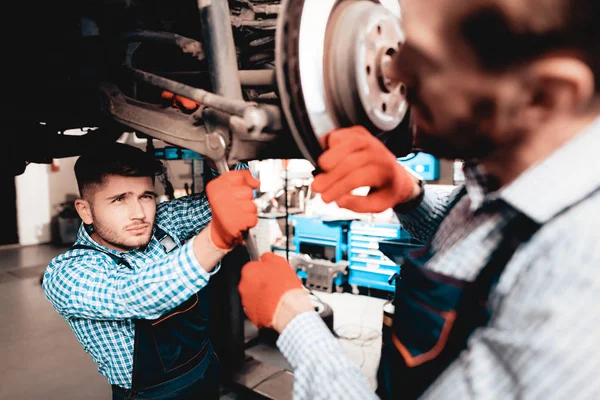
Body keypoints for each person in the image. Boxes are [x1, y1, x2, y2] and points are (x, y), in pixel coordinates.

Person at [238, 0, 600, 398]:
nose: (394, 70)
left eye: (425, 60)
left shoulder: (578, 282)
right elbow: (487, 244)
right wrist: (410, 194)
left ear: (545, 95)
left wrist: (294, 321)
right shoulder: (520, 171)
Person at [42, 142, 258, 399]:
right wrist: (216, 239)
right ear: (85, 211)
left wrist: (218, 158)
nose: (139, 214)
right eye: (120, 199)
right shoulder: (67, 274)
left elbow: (225, 203)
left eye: (146, 196)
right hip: (155, 395)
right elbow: (136, 293)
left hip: (205, 368)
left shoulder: (163, 222)